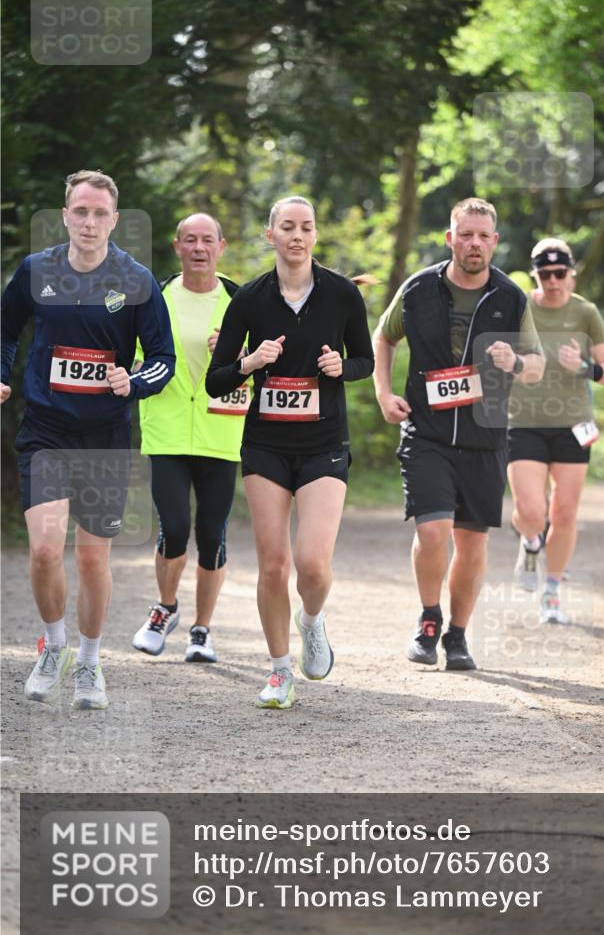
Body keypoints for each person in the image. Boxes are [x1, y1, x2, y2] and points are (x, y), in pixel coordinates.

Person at [0, 169, 175, 709]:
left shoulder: (137, 279)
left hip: (105, 435)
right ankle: (54, 647)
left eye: (101, 214)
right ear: (66, 214)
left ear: (114, 220)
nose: (90, 222)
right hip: (47, 429)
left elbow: (163, 359)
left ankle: (91, 663)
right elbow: (5, 329)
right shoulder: (37, 270)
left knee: (94, 561)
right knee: (47, 551)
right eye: (81, 211)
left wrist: (135, 379)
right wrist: (3, 374)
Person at [206, 196, 374, 709]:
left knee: (313, 566)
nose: (297, 235)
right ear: (270, 234)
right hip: (267, 445)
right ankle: (280, 670)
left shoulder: (342, 295)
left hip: (324, 443)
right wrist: (250, 361)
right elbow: (215, 382)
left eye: (306, 227)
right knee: (274, 564)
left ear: (315, 236)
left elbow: (364, 360)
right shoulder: (251, 299)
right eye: (287, 227)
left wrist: (338, 369)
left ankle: (312, 620)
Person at [373, 197, 545, 670]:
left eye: (482, 236)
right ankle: (428, 620)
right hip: (426, 433)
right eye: (464, 234)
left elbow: (537, 366)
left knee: (472, 543)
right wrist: (385, 395)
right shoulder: (418, 288)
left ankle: (458, 635)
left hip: (485, 437)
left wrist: (518, 362)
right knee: (432, 531)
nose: (473, 243)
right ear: (450, 238)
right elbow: (384, 337)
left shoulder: (510, 298)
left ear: (495, 242)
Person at [131, 213, 243, 662]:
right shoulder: (155, 297)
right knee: (174, 527)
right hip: (167, 430)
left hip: (221, 430)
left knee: (212, 534)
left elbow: (262, 366)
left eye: (207, 240)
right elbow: (137, 358)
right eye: (190, 240)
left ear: (221, 246)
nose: (199, 248)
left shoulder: (241, 302)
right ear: (177, 246)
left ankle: (202, 630)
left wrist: (236, 354)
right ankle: (166, 608)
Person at [508, 238, 604, 623]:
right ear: (535, 273)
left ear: (570, 273)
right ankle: (530, 539)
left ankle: (551, 591)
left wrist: (584, 366)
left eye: (560, 273)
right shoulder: (519, 306)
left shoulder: (585, 312)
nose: (553, 280)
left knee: (566, 511)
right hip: (523, 420)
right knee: (530, 510)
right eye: (544, 273)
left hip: (573, 425)